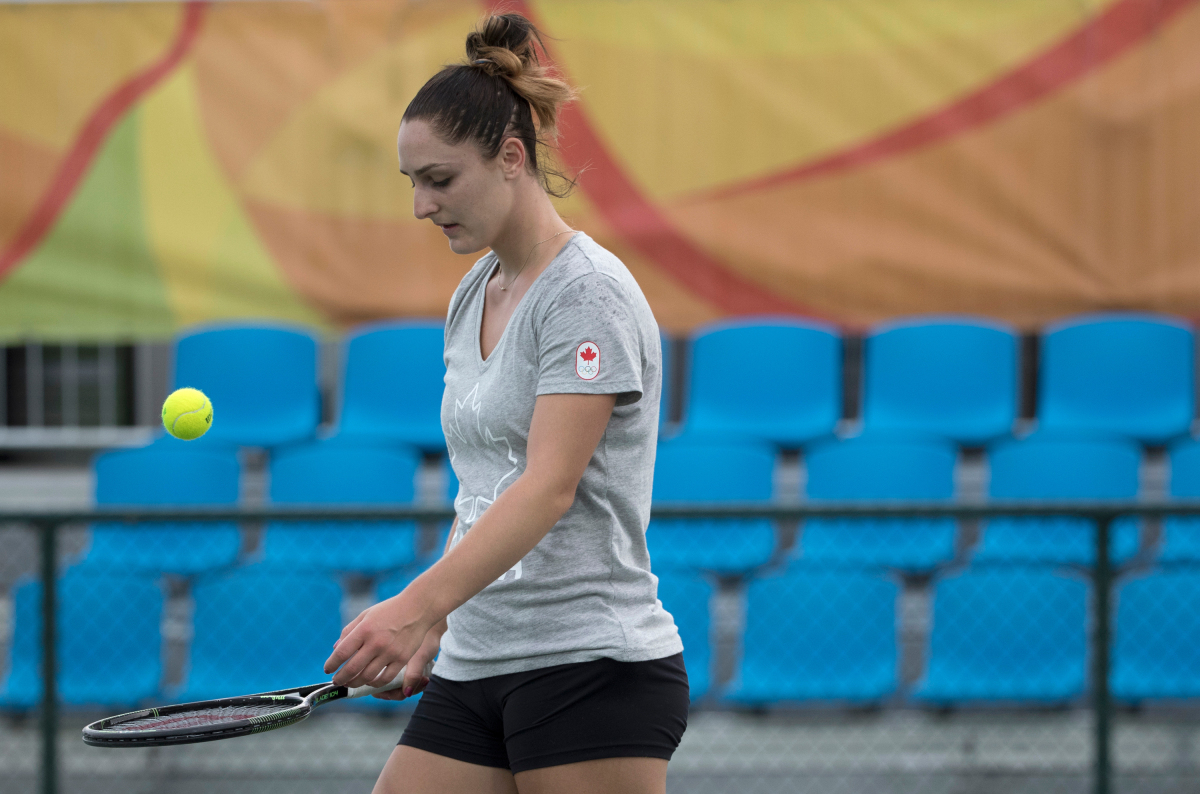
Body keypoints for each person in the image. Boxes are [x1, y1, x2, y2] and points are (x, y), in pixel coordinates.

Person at [322, 12, 688, 794]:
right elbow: (482, 490)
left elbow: (546, 489)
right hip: (474, 663)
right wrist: (441, 627)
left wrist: (417, 607)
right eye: (412, 183)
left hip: (591, 668)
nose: (422, 205)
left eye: (440, 180)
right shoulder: (471, 293)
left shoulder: (586, 296)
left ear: (512, 158)